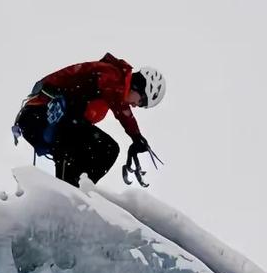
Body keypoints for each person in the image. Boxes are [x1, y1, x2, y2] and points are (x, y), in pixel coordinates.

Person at [12, 53, 165, 186]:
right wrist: (136, 136)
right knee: (106, 148)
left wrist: (137, 137)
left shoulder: (109, 89)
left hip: (47, 121)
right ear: (139, 87)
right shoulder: (111, 75)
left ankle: (74, 190)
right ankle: (70, 194)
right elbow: (122, 110)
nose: (136, 106)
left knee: (93, 149)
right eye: (141, 102)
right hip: (38, 116)